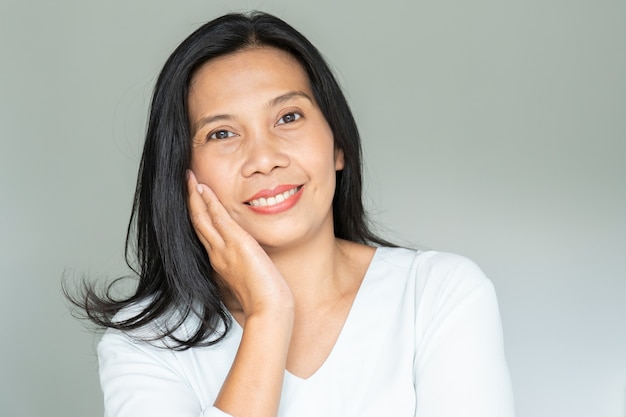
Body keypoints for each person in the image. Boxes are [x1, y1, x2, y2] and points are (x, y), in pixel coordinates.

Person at [71, 11, 515, 417]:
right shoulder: (144, 346)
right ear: (182, 174)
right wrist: (269, 316)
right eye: (222, 133)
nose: (264, 159)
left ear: (338, 143)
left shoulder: (437, 295)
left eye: (288, 117)